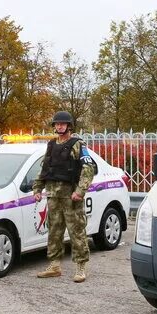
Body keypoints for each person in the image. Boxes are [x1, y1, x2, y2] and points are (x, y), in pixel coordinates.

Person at [32, 111, 97, 283]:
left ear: (69, 126)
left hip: (71, 196)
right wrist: (37, 188)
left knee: (76, 231)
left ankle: (81, 267)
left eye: (62, 124)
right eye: (57, 124)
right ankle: (54, 266)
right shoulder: (51, 145)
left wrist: (80, 191)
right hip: (53, 195)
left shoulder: (78, 144)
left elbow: (88, 170)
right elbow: (44, 168)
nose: (59, 126)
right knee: (54, 231)